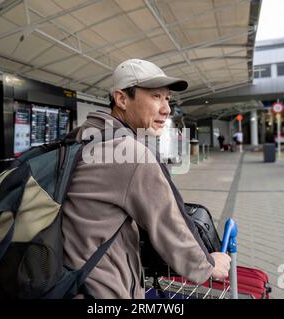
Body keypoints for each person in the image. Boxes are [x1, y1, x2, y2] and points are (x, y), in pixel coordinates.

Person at [62, 59, 231, 298]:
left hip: (67, 282)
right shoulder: (131, 153)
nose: (166, 109)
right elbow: (170, 225)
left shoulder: (81, 136)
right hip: (103, 292)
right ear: (121, 99)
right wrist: (209, 265)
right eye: (155, 97)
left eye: (167, 99)